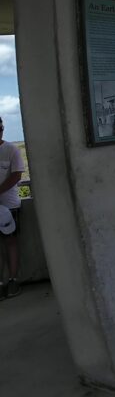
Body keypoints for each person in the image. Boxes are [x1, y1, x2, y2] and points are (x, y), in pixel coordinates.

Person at [0, 117, 25, 299]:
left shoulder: (11, 150)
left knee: (10, 243)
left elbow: (17, 175)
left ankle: (13, 280)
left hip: (10, 206)